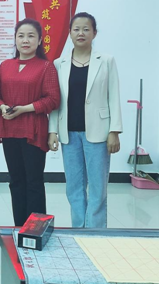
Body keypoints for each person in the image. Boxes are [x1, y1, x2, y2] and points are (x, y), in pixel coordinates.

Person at [48, 12, 122, 228]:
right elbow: (55, 101)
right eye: (76, 29)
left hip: (99, 133)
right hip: (69, 133)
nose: (81, 33)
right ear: (70, 33)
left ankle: (96, 233)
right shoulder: (59, 63)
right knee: (74, 187)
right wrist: (52, 131)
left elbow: (114, 96)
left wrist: (114, 131)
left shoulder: (106, 61)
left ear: (94, 33)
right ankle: (79, 230)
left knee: (98, 187)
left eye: (86, 29)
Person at [0, 18, 60, 226]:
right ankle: (19, 227)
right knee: (16, 181)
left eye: (31, 36)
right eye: (21, 36)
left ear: (39, 40)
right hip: (9, 129)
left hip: (34, 131)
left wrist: (25, 108)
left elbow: (53, 99)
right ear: (15, 39)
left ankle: (36, 230)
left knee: (34, 182)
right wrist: (2, 107)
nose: (25, 40)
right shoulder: (5, 66)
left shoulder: (46, 67)